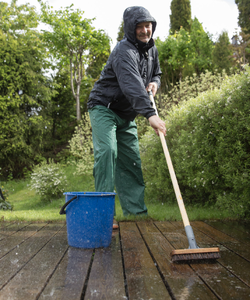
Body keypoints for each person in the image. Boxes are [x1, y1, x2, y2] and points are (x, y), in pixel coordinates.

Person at [87, 6, 166, 224]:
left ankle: (136, 215)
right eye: (139, 26)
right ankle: (104, 216)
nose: (144, 30)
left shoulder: (152, 50)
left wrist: (154, 82)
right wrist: (150, 115)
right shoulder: (123, 50)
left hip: (126, 114)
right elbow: (131, 85)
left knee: (131, 161)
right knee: (108, 152)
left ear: (152, 26)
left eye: (147, 25)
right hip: (104, 107)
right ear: (130, 29)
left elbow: (156, 73)